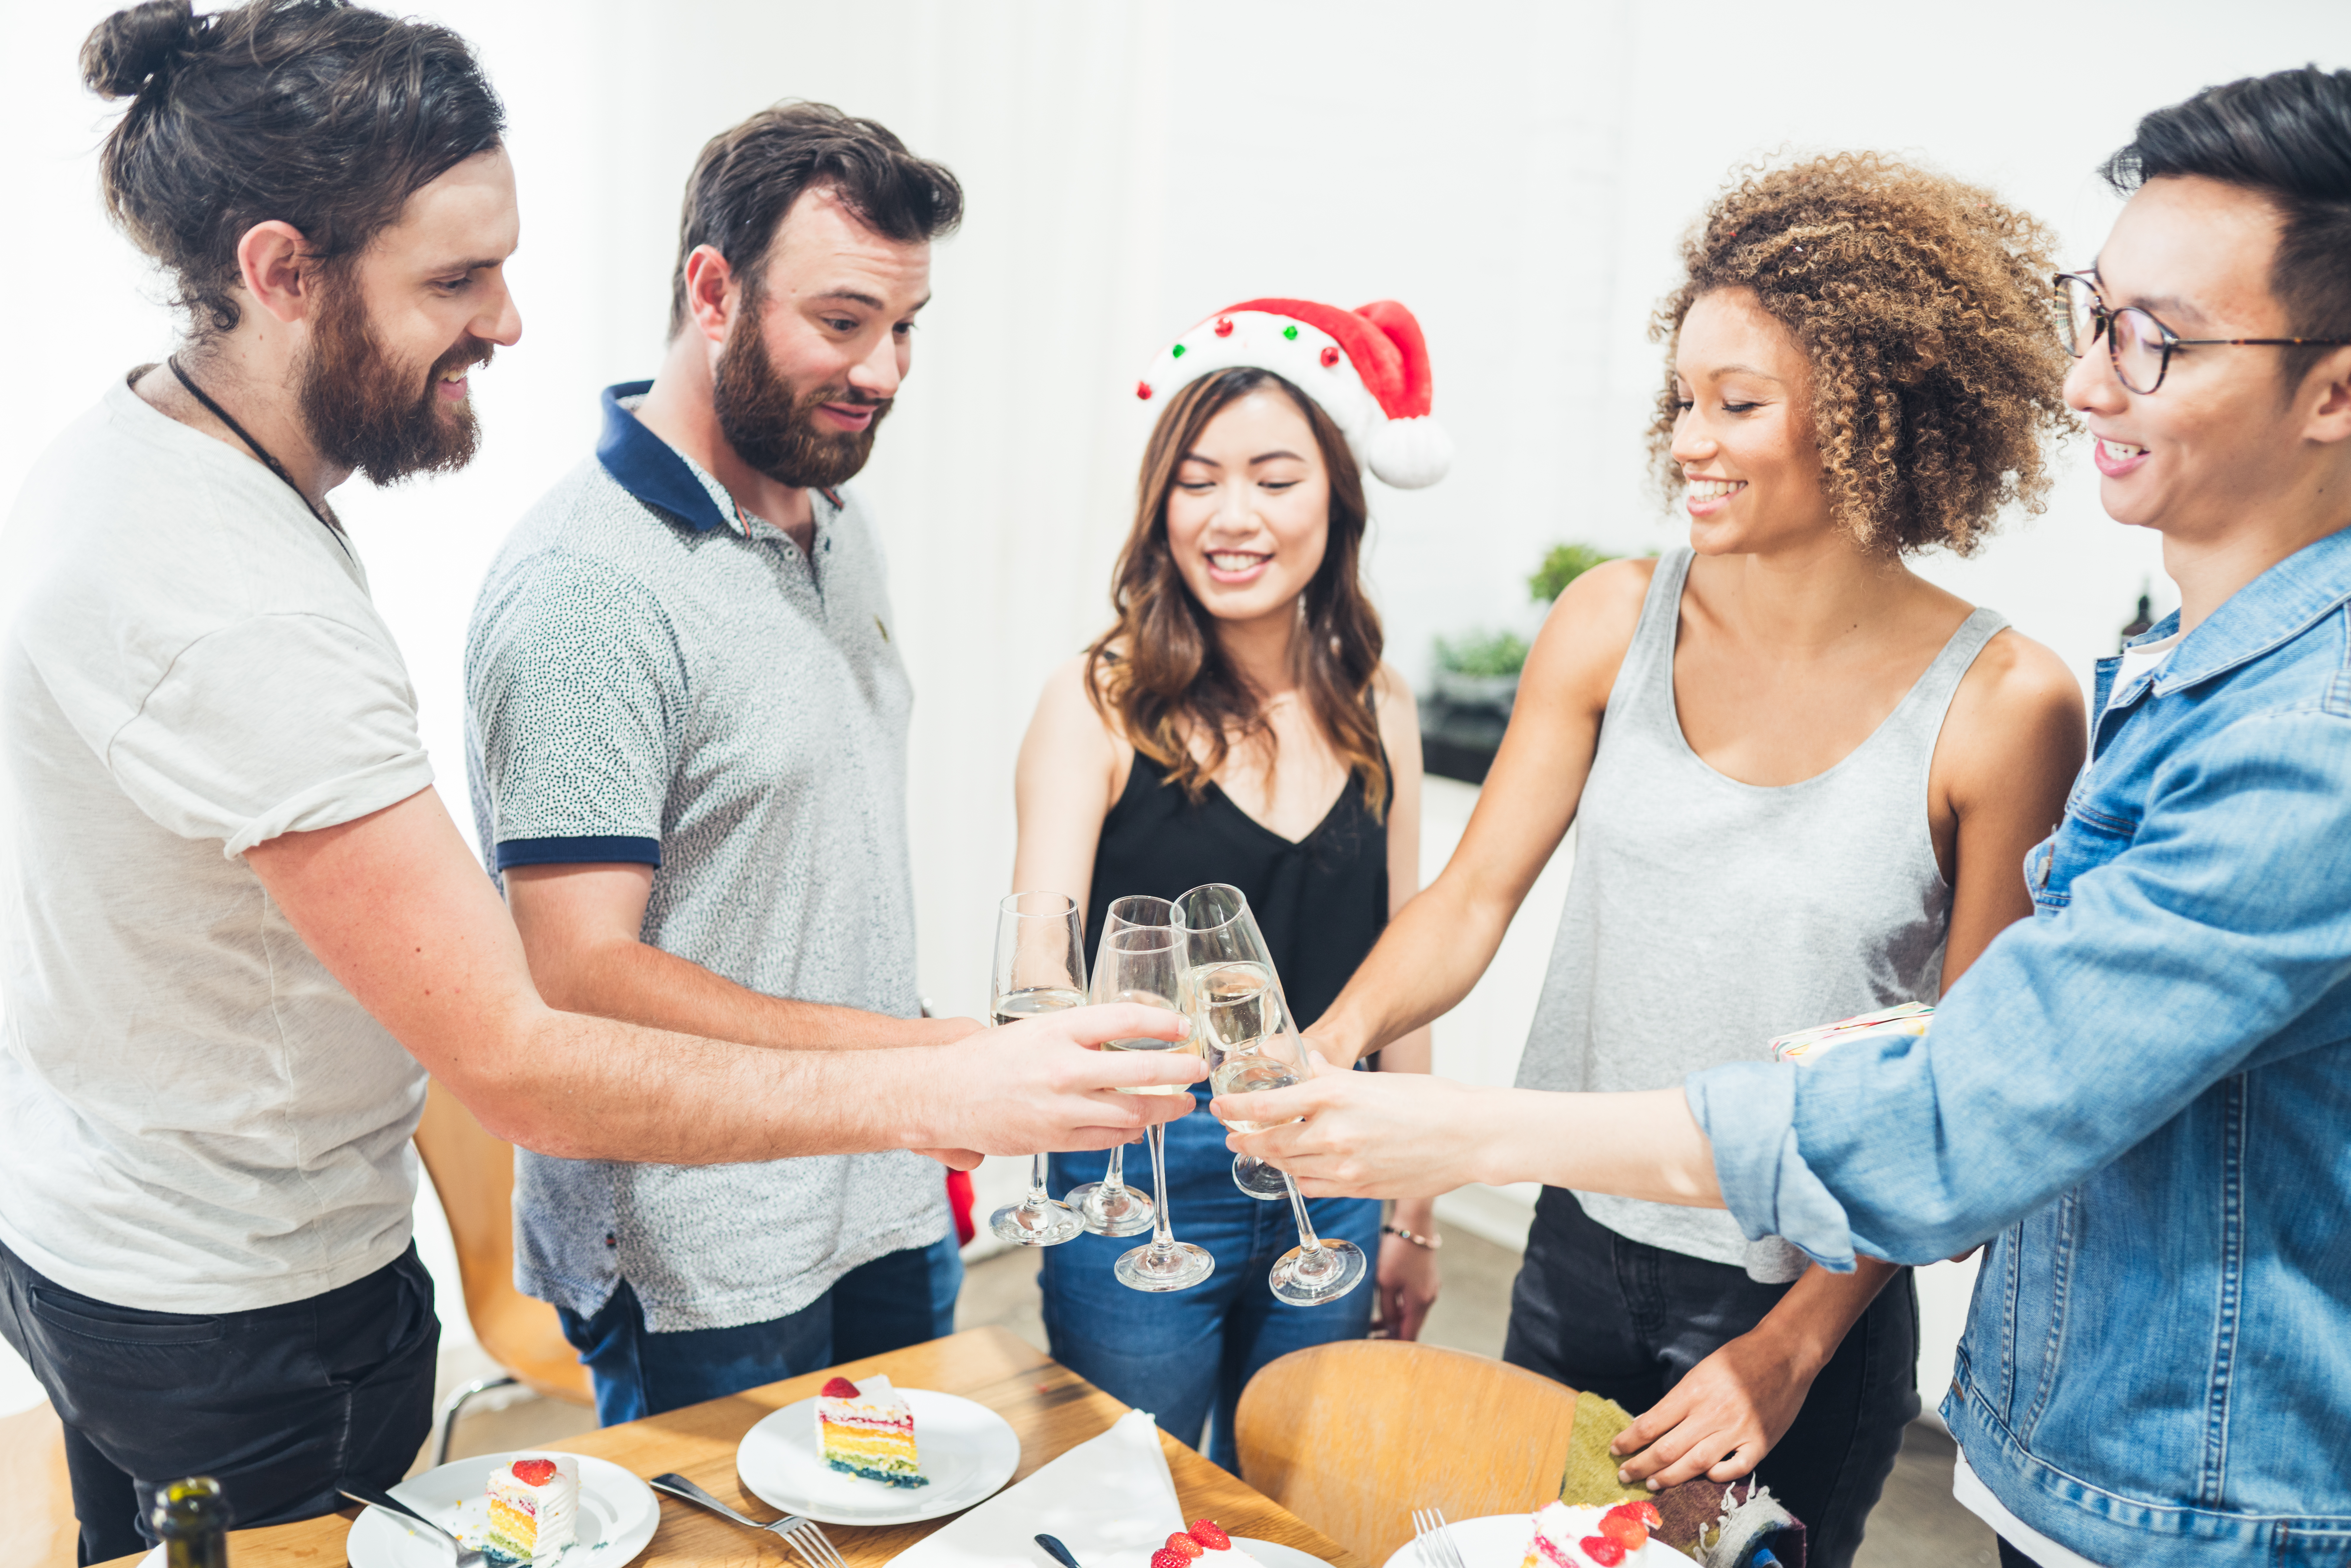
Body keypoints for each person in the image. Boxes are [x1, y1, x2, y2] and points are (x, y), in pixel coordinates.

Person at [0, 6, 1193, 1558]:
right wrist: (936, 1077)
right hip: (239, 1304)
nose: (508, 318)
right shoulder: (260, 600)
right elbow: (525, 1035)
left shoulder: (193, 473)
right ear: (281, 272)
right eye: (452, 279)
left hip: (200, 1235)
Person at [1225, 69, 2351, 1568]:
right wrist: (1341, 1043)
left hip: (1800, 1288)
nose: (1689, 440)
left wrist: (1792, 1342)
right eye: (1680, 400)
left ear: (1872, 415)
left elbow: (1969, 1086)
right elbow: (1472, 899)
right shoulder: (1612, 620)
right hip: (1585, 1236)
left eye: (1738, 404)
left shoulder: (2021, 701)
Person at [464, 103, 979, 1423]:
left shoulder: (836, 522)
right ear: (713, 289)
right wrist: (912, 1065)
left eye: (905, 327)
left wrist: (903, 1093)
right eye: (844, 320)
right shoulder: (588, 587)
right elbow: (579, 970)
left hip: (882, 1195)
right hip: (706, 1257)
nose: (885, 371)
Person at [1011, 299, 1451, 1468]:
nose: (1232, 516)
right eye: (1197, 481)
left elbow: (1404, 959)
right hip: (1146, 1170)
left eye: (1272, 477)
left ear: (1336, 499)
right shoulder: (1096, 701)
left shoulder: (1381, 703)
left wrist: (1416, 1209)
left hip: (1337, 1152)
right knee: (1134, 1490)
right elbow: (1037, 969)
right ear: (1160, 508)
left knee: (1296, 1490)